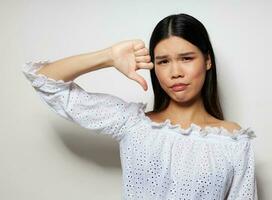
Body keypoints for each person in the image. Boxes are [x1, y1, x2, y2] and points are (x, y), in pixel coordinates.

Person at [21, 13, 258, 200]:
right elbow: (45, 81)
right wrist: (108, 56)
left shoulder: (233, 142)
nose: (175, 73)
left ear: (207, 60)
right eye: (163, 61)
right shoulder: (132, 123)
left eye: (186, 58)